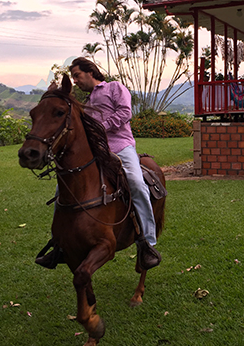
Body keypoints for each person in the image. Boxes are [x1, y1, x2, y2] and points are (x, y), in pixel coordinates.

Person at [36, 57, 161, 270]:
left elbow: (125, 112)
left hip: (121, 146)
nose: (75, 81)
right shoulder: (84, 100)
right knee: (62, 189)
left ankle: (147, 242)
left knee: (136, 182)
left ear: (90, 72)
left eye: (77, 75)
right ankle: (59, 245)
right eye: (73, 77)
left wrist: (99, 127)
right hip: (95, 152)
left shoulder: (114, 88)